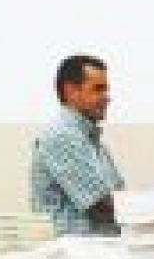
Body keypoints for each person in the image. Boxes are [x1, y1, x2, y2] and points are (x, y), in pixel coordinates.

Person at [31, 54, 123, 235]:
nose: (107, 97)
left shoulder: (89, 138)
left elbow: (119, 195)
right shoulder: (62, 136)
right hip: (74, 250)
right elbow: (100, 206)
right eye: (98, 89)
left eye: (106, 89)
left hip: (94, 247)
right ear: (71, 91)